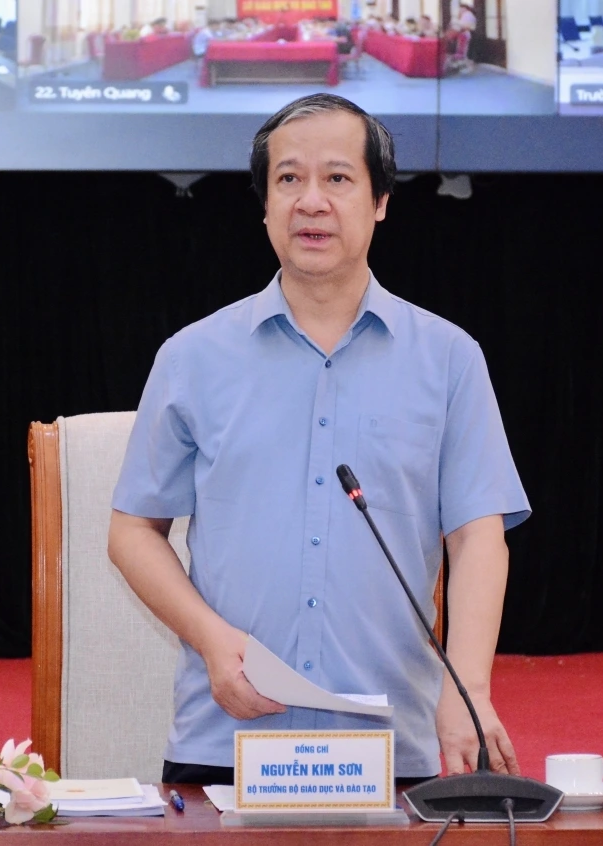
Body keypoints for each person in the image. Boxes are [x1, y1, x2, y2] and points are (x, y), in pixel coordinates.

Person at [108, 93, 528, 786]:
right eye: (288, 179)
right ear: (264, 204)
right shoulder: (192, 357)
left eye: (337, 177)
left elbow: (477, 536)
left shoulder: (448, 358)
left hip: (393, 746)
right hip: (225, 742)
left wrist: (470, 688)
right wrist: (211, 639)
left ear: (380, 201)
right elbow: (132, 531)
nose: (311, 201)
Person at [444, 2, 476, 73]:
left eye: (462, 8)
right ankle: (460, 65)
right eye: (460, 8)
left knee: (462, 51)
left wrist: (456, 25)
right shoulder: (464, 15)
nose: (460, 10)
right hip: (461, 34)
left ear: (466, 9)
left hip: (464, 34)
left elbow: (467, 26)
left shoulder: (468, 15)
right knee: (461, 50)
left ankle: (464, 66)